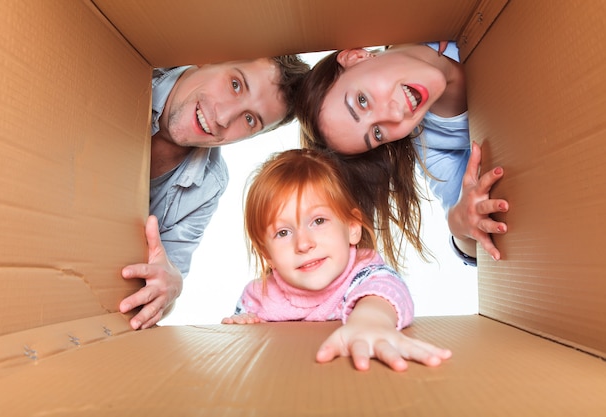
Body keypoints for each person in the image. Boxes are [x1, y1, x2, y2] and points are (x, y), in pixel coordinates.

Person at [119, 56, 311, 330]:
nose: (222, 118)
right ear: (209, 57)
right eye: (235, 85)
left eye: (249, 120)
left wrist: (172, 287)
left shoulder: (208, 185)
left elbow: (167, 279)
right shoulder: (126, 69)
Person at [222, 149, 452, 372]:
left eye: (319, 221)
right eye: (283, 232)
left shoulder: (363, 272)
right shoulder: (259, 296)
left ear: (352, 228)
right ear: (268, 255)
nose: (304, 244)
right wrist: (242, 324)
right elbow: (248, 347)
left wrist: (371, 321)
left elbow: (386, 291)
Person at [295, 42, 509, 272]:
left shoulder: (427, 20)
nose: (396, 114)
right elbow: (473, 238)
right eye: (377, 133)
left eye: (362, 101)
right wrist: (459, 227)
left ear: (356, 57)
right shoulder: (433, 146)